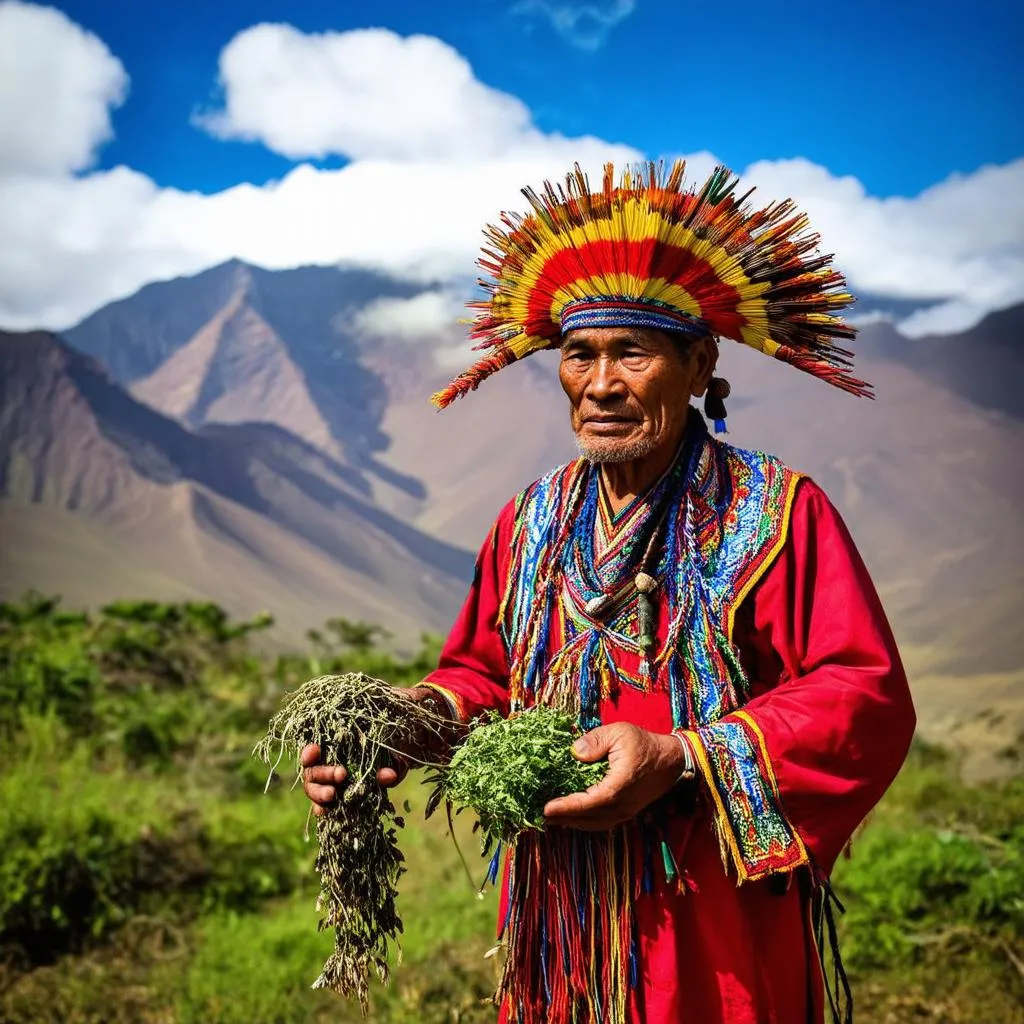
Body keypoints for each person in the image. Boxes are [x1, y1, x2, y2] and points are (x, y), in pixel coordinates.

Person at [302, 161, 916, 1024]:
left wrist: (680, 759)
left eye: (631, 352)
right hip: (556, 914)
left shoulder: (778, 515)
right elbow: (481, 676)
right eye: (580, 354)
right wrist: (404, 723)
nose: (599, 384)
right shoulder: (530, 523)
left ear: (699, 363)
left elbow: (863, 693)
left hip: (712, 921)